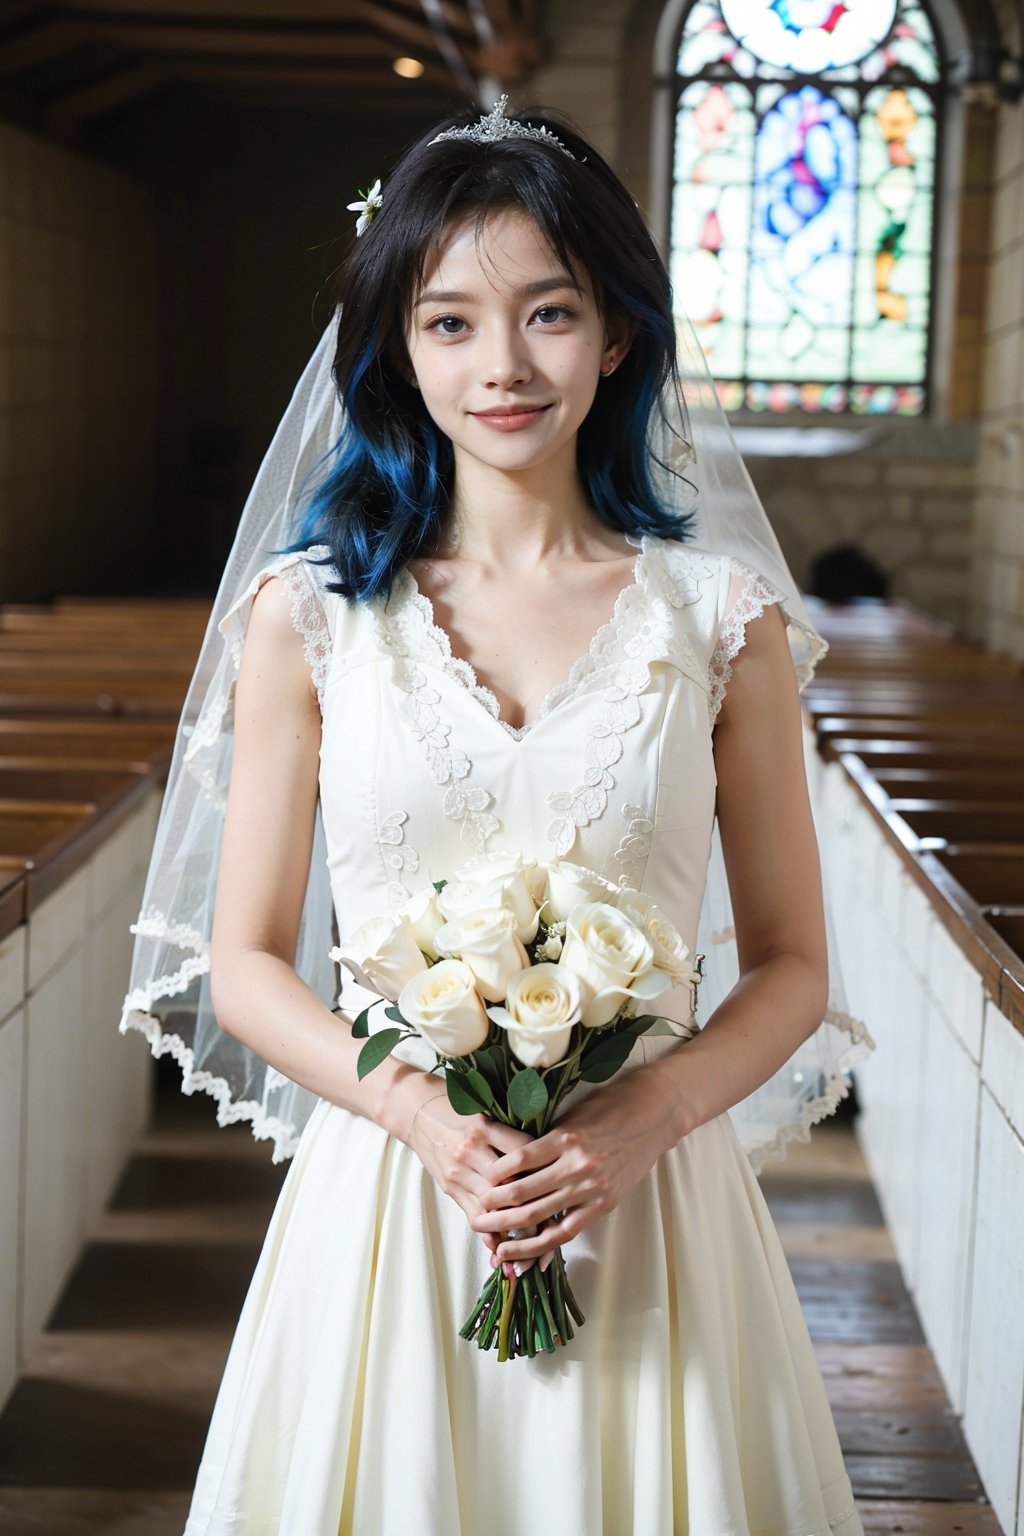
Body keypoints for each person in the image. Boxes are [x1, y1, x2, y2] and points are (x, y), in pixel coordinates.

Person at [128, 97, 872, 1534]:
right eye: (451, 321)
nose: (504, 365)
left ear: (617, 337)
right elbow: (246, 965)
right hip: (398, 1198)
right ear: (399, 351)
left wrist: (641, 1118)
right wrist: (419, 1112)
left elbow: (791, 967)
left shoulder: (721, 622)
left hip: (647, 1197)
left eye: (548, 312)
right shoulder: (314, 617)